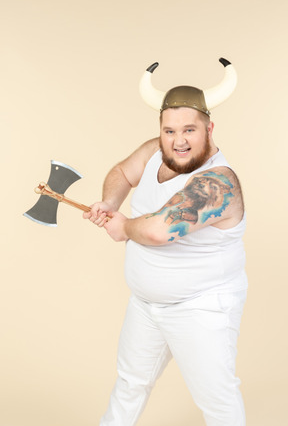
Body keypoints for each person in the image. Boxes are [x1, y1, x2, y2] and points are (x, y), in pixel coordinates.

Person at [83, 58, 248, 426]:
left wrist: (124, 227)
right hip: (146, 305)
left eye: (189, 130)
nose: (179, 141)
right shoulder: (156, 151)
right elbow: (122, 171)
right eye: (169, 131)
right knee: (129, 384)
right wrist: (110, 202)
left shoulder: (219, 183)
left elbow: (159, 230)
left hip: (201, 307)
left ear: (209, 128)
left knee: (217, 401)